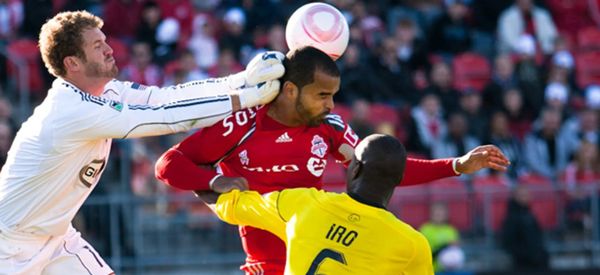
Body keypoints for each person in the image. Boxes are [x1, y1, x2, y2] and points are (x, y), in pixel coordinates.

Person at [155, 46, 510, 274]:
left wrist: (455, 166)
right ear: (291, 90)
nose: (330, 105)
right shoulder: (242, 124)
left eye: (334, 97)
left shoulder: (330, 129)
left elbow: (381, 169)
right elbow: (169, 164)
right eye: (323, 95)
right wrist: (214, 181)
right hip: (263, 266)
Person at [0, 10, 285, 275]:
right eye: (97, 46)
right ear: (72, 63)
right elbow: (165, 117)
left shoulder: (105, 91)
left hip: (57, 238)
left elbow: (167, 97)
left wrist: (242, 81)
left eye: (105, 41)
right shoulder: (71, 110)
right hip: (9, 247)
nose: (110, 50)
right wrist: (245, 99)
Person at [196, 134, 435, 274]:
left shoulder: (303, 204)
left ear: (356, 168)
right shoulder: (412, 245)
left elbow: (227, 204)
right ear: (400, 180)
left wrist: (198, 175)